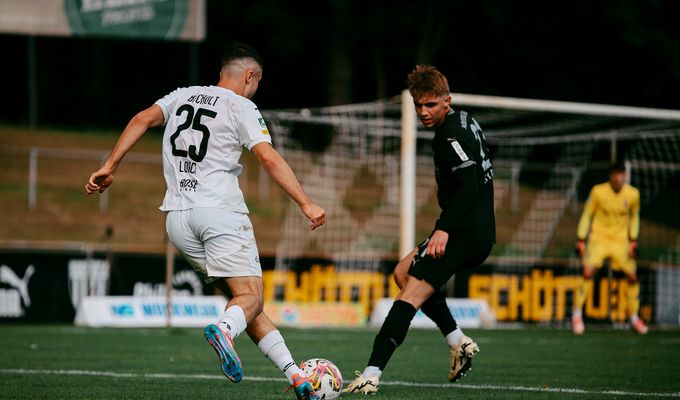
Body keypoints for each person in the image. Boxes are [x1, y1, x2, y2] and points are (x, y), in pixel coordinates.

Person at [85, 41, 325, 400]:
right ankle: (223, 331)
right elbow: (269, 158)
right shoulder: (242, 105)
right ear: (250, 76)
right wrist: (305, 203)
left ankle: (295, 375)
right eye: (257, 82)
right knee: (250, 298)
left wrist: (110, 165)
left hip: (177, 220)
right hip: (219, 214)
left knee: (241, 301)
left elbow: (140, 119)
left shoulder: (182, 95)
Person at [343, 65, 495, 394]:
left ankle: (371, 374)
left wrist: (443, 230)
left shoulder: (449, 135)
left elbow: (469, 186)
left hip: (462, 234)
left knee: (408, 295)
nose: (424, 112)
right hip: (473, 230)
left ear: (446, 100)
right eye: (418, 105)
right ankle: (458, 342)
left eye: (431, 105)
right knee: (402, 272)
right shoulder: (464, 119)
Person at [572, 161, 647, 335]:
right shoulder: (598, 191)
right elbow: (587, 214)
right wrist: (581, 239)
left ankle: (634, 318)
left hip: (621, 241)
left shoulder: (633, 194)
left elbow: (635, 217)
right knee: (588, 272)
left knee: (632, 276)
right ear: (610, 176)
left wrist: (633, 240)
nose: (619, 177)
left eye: (621, 174)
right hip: (599, 239)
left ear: (625, 175)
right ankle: (576, 315)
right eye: (616, 174)